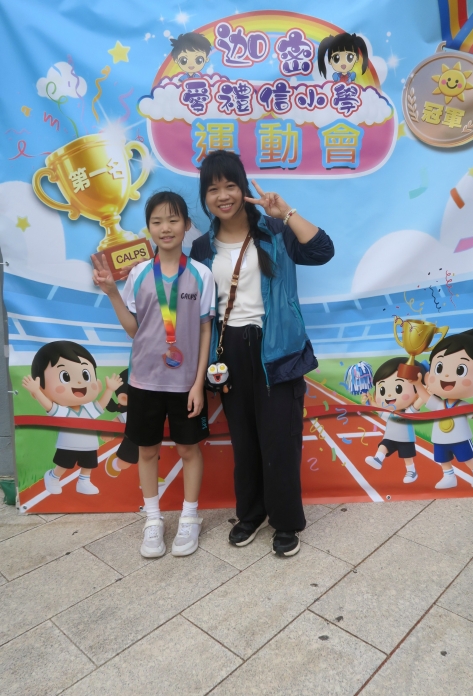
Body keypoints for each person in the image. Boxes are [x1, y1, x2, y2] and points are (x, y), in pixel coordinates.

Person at [190, 150, 334, 557]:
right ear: (204, 197)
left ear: (243, 188)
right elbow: (198, 308)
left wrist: (286, 212)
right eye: (213, 189)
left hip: (278, 349)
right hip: (229, 351)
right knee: (244, 440)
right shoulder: (201, 248)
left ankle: (285, 522)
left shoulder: (275, 231)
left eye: (230, 185)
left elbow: (322, 251)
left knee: (280, 441)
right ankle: (250, 514)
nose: (223, 196)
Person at [92, 191, 215, 558]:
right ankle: (153, 519)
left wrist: (198, 383)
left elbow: (205, 330)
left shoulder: (201, 274)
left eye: (173, 220)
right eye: (157, 222)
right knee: (147, 451)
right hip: (144, 381)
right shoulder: (139, 274)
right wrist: (112, 293)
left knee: (189, 449)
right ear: (148, 228)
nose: (166, 228)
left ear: (187, 225)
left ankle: (189, 517)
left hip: (185, 384)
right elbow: (135, 329)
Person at [22, 340, 122, 496]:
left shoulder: (88, 408)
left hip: (89, 444)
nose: (80, 382)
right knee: (64, 463)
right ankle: (53, 477)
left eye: (86, 375)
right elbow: (49, 406)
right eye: (66, 377)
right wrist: (37, 392)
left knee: (89, 463)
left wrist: (110, 389)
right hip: (68, 444)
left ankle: (84, 481)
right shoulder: (63, 411)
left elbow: (101, 405)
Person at [413, 328, 473, 490]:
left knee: (466, 458)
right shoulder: (439, 404)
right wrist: (417, 384)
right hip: (440, 439)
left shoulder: (462, 405)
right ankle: (449, 476)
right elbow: (425, 397)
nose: (446, 376)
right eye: (439, 368)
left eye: (460, 370)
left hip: (460, 438)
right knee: (442, 459)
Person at [365, 357, 426, 484]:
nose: (388, 395)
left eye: (398, 388)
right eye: (382, 390)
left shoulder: (408, 413)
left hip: (405, 439)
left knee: (407, 456)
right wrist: (369, 401)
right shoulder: (389, 414)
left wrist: (424, 392)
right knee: (383, 445)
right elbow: (377, 409)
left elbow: (418, 403)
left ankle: (411, 471)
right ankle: (378, 459)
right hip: (390, 437)